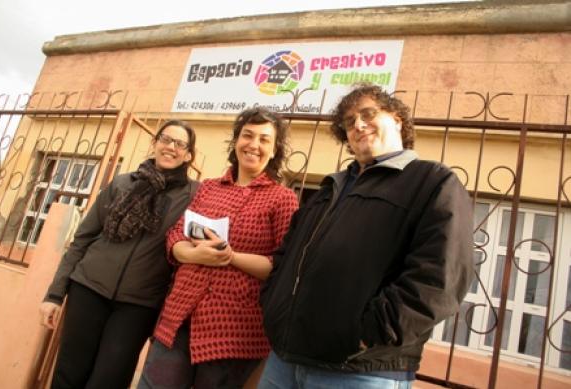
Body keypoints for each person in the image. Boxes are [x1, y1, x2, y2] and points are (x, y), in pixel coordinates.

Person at [258, 84, 475, 389]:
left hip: (360, 370)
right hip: (284, 361)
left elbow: (440, 278)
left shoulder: (432, 182)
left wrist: (369, 334)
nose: (358, 125)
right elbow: (286, 255)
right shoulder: (329, 189)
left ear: (397, 119)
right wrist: (273, 306)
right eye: (349, 122)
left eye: (368, 114)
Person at [138, 107, 299, 389]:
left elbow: (283, 266)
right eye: (247, 135)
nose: (253, 144)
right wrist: (190, 253)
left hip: (233, 330)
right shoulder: (209, 187)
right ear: (236, 141)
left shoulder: (282, 199)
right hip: (179, 316)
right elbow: (177, 233)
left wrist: (231, 257)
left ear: (274, 151)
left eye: (264, 139)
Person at [39, 120, 199, 389]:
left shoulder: (194, 195)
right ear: (155, 143)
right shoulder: (123, 183)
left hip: (139, 305)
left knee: (109, 380)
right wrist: (55, 294)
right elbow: (83, 239)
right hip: (88, 288)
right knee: (68, 374)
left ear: (189, 155)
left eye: (179, 144)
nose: (170, 147)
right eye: (165, 139)